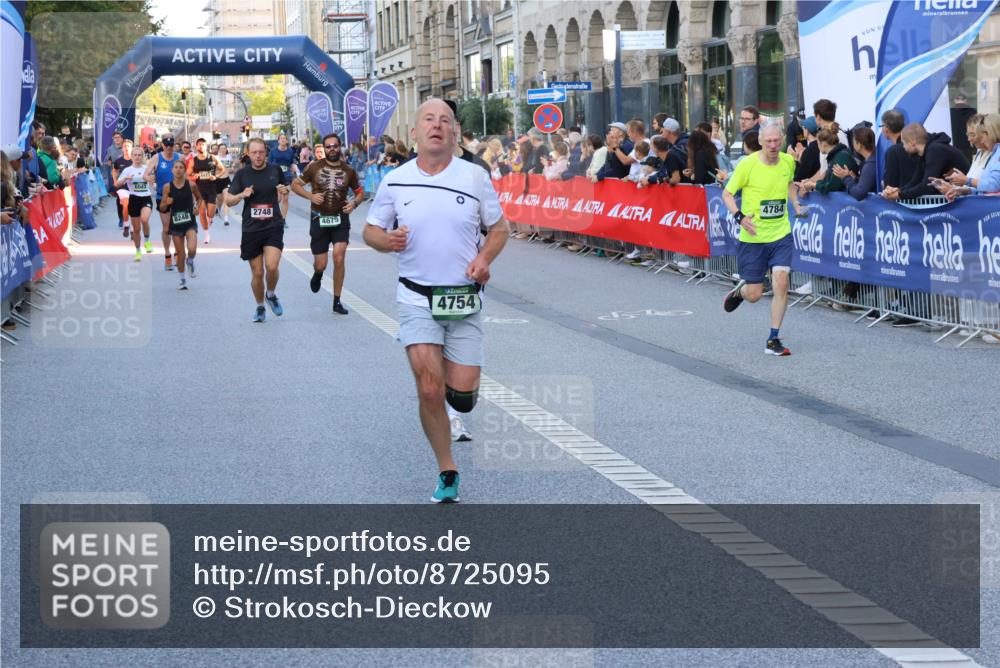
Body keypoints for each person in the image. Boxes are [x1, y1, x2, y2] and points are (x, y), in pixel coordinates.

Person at [363, 98, 508, 503]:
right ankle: (447, 469)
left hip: (462, 298)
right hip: (415, 297)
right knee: (429, 388)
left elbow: (500, 229)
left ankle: (453, 391)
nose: (437, 125)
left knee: (462, 395)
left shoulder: (474, 177)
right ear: (415, 132)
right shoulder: (396, 180)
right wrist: (386, 241)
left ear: (454, 131)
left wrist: (483, 259)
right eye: (428, 119)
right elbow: (371, 231)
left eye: (445, 120)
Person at [721, 124, 805, 356]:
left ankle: (773, 338)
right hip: (753, 237)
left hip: (780, 233)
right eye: (768, 141)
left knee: (781, 282)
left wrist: (796, 203)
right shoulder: (747, 165)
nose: (773, 145)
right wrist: (739, 217)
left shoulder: (787, 161)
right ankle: (740, 292)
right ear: (760, 142)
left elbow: (789, 184)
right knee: (754, 294)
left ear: (782, 140)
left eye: (777, 140)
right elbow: (727, 194)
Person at [292, 133, 364, 314]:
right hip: (319, 218)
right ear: (324, 149)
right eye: (328, 146)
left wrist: (354, 203)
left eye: (335, 146)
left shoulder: (349, 170)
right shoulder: (314, 167)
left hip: (340, 218)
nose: (332, 149)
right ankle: (318, 273)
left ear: (340, 147)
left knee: (339, 257)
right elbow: (295, 185)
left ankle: (337, 301)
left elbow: (360, 192)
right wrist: (310, 196)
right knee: (321, 264)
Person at [225, 138, 290, 323]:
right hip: (251, 229)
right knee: (258, 273)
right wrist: (241, 194)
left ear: (266, 152)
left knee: (272, 266)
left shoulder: (275, 170)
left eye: (261, 152)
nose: (258, 156)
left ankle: (271, 294)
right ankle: (260, 306)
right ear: (248, 153)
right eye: (254, 152)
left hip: (273, 226)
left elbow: (285, 192)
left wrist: (285, 194)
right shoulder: (242, 174)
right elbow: (228, 200)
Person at [882, 123, 969, 201]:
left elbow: (927, 186)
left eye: (904, 143)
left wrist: (898, 195)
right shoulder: (925, 152)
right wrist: (898, 190)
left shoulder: (934, 150)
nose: (903, 147)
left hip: (966, 196)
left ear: (912, 143)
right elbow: (915, 181)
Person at [158, 160, 201, 289]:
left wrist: (197, 207)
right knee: (180, 254)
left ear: (185, 170)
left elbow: (199, 199)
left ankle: (190, 261)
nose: (178, 170)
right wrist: (167, 203)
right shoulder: (167, 187)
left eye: (181, 167)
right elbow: (162, 207)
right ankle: (182, 280)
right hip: (176, 223)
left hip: (190, 222)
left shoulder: (191, 185)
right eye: (176, 167)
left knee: (192, 249)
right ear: (172, 170)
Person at [114, 145, 156, 262]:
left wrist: (152, 181)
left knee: (144, 219)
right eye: (135, 155)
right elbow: (117, 184)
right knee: (136, 229)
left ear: (143, 156)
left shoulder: (147, 168)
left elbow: (152, 182)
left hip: (146, 198)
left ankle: (147, 241)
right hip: (133, 199)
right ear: (132, 157)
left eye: (140, 155)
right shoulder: (127, 170)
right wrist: (125, 179)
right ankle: (138, 251)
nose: (137, 157)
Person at [145, 135, 179, 270]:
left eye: (171, 145)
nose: (169, 147)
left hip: (178, 196)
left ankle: (178, 253)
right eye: (167, 145)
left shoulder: (179, 157)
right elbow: (145, 174)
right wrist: (150, 178)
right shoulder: (156, 158)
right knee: (167, 228)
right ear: (163, 145)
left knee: (177, 227)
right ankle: (167, 255)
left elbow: (186, 175)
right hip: (162, 197)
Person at [798, 124, 857, 195]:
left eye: (818, 143)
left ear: (823, 144)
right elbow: (828, 181)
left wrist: (813, 185)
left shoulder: (841, 158)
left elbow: (833, 187)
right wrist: (811, 183)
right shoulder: (836, 156)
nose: (817, 147)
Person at [187, 138, 225, 243]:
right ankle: (207, 235)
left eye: (203, 144)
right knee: (202, 212)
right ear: (196, 146)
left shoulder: (212, 157)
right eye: (199, 144)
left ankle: (210, 218)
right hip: (199, 189)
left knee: (211, 213)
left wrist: (216, 176)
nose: (201, 146)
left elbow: (222, 169)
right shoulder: (193, 160)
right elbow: (187, 175)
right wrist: (194, 176)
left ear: (206, 146)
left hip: (212, 188)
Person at [836, 126, 878, 201]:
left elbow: (859, 194)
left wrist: (845, 178)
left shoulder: (870, 165)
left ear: (859, 144)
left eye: (854, 141)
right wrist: (855, 179)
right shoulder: (874, 160)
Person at [215, 143, 237, 226]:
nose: (223, 150)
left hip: (226, 180)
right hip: (218, 180)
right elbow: (212, 169)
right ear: (219, 149)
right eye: (221, 148)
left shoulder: (229, 157)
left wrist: (232, 168)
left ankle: (226, 218)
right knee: (219, 199)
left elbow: (232, 167)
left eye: (224, 148)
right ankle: (218, 208)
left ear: (226, 149)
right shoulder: (216, 158)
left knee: (226, 199)